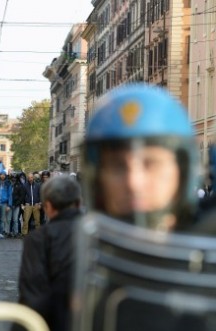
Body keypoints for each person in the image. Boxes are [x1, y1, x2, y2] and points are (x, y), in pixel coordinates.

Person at [72, 84, 204, 331]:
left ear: (183, 170)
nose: (134, 182)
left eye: (151, 163)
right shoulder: (77, 265)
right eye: (118, 166)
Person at [14, 175, 83, 331]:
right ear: (79, 204)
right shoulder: (100, 235)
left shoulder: (39, 239)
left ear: (48, 206)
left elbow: (33, 296)